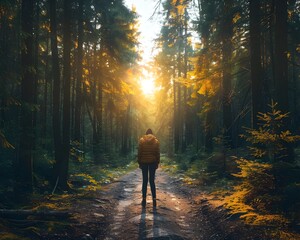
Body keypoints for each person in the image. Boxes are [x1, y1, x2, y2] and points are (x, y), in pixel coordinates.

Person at [138, 128, 160, 207]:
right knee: (152, 180)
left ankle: (144, 198)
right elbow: (157, 153)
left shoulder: (141, 140)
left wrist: (139, 162)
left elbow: (139, 152)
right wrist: (157, 162)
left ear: (146, 133)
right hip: (153, 163)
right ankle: (154, 198)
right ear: (152, 133)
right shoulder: (156, 141)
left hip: (143, 162)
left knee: (145, 180)